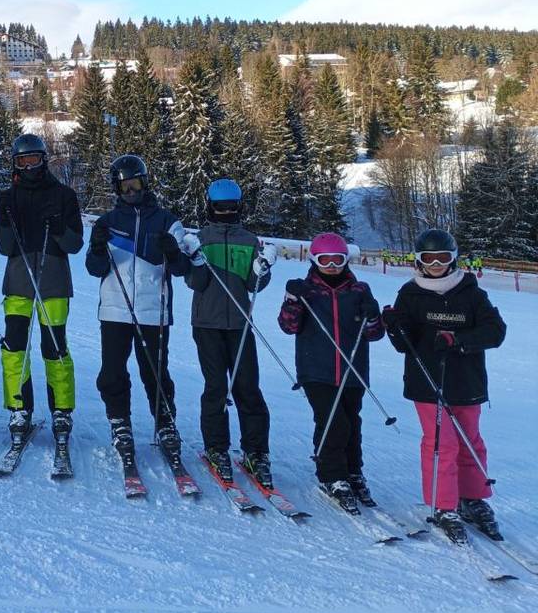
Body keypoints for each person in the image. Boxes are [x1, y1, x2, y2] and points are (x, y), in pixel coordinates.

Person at [382, 229, 506, 543]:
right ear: (418, 261)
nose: (436, 264)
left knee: (470, 441)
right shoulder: (410, 293)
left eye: (443, 258)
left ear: (454, 259)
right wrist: (395, 327)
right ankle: (444, 505)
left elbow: (495, 331)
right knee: (441, 443)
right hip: (428, 381)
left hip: (466, 381)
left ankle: (472, 498)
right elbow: (403, 344)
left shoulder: (472, 293)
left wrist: (459, 340)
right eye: (428, 258)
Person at [84, 154, 190, 457]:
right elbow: (94, 268)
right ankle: (120, 421)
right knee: (112, 371)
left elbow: (182, 269)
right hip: (115, 310)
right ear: (117, 189)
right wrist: (97, 247)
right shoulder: (107, 223)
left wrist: (173, 253)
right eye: (125, 187)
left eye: (136, 184)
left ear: (145, 183)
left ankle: (165, 421)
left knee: (155, 371)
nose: (132, 192)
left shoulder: (168, 222)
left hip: (152, 310)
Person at [278, 233, 383, 512]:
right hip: (317, 370)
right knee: (333, 422)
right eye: (325, 260)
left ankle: (352, 471)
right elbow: (288, 326)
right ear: (314, 260)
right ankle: (332, 475)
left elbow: (374, 334)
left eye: (338, 260)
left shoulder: (359, 290)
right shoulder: (307, 290)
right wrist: (292, 299)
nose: (332, 265)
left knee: (351, 423)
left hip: (353, 370)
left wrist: (373, 315)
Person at [181, 178, 276, 485]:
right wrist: (195, 260)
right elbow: (196, 284)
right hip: (207, 324)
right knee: (216, 387)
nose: (225, 211)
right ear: (210, 205)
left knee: (248, 387)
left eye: (230, 206)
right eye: (220, 206)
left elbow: (253, 285)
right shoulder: (201, 239)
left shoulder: (249, 241)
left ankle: (256, 451)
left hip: (238, 324)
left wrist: (263, 268)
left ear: (239, 206)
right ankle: (216, 447)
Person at [0, 133, 83, 443]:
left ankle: (61, 409)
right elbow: (4, 247)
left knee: (54, 346)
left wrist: (59, 227)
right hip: (18, 280)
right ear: (15, 164)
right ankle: (19, 407)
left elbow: (74, 245)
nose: (29, 166)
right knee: (14, 346)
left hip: (54, 281)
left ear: (44, 160)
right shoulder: (9, 196)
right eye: (23, 161)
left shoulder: (64, 195)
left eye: (34, 159)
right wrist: (4, 218)